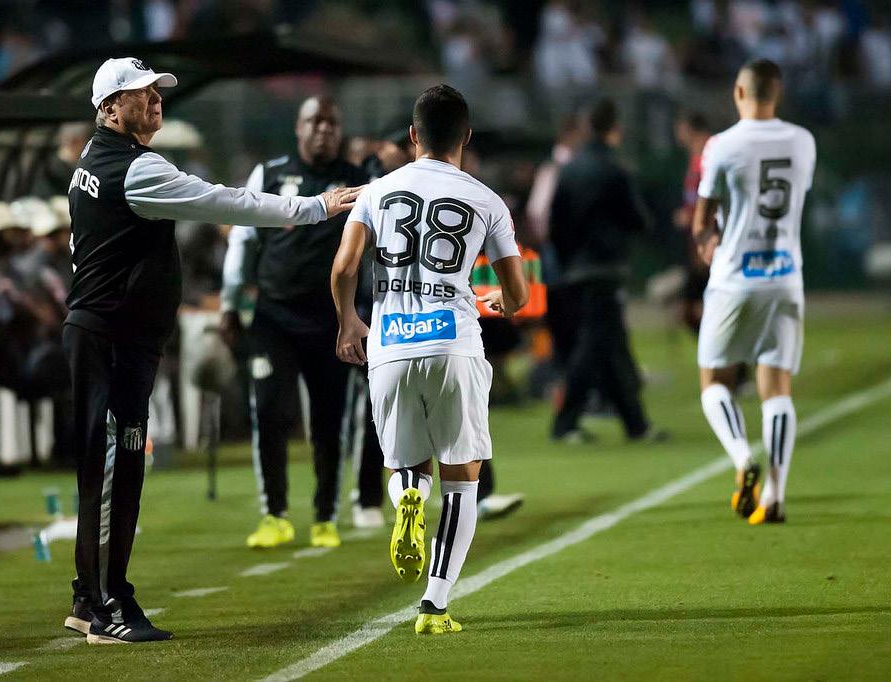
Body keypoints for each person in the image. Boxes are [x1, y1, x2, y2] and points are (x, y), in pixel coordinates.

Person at [63, 57, 359, 645]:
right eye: (138, 93)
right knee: (114, 469)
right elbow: (227, 203)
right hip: (115, 337)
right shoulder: (136, 169)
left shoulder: (92, 164)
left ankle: (91, 596)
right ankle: (105, 604)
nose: (153, 100)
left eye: (154, 91)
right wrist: (315, 207)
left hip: (108, 334)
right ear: (107, 107)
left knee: (106, 468)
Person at [331, 84, 529, 634]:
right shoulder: (487, 200)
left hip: (390, 342)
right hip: (453, 342)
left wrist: (349, 320)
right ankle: (434, 604)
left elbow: (346, 265)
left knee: (404, 468)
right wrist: (502, 302)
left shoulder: (378, 191)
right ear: (466, 136)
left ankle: (407, 503)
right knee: (463, 479)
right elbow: (518, 291)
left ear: (413, 136)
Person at [220, 96, 369, 550]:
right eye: (314, 121)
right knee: (268, 412)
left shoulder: (362, 181)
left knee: (329, 421)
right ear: (298, 127)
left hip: (332, 320)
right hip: (273, 317)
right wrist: (230, 302)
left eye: (331, 121)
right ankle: (275, 515)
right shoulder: (269, 173)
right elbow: (243, 237)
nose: (323, 129)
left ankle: (325, 516)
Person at [692, 59, 815, 525]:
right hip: (786, 277)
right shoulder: (804, 141)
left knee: (714, 383)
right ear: (776, 94)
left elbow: (704, 220)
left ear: (739, 93)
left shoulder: (721, 146)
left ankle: (743, 458)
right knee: (777, 388)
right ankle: (777, 496)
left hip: (734, 279)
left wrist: (706, 242)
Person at [548, 97, 663, 443]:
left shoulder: (569, 170)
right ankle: (566, 422)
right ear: (615, 129)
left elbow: (556, 223)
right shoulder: (615, 170)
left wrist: (569, 261)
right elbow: (638, 219)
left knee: (610, 343)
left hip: (578, 268)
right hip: (606, 267)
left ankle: (636, 424)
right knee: (595, 344)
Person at [673, 111, 712, 334]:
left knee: (692, 309)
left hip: (707, 242)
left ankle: (731, 363)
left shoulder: (708, 160)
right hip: (697, 242)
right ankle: (732, 363)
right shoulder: (695, 160)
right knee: (690, 310)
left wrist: (692, 216)